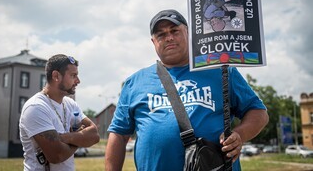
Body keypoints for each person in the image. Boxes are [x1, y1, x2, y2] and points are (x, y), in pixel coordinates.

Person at [105, 9, 269, 171]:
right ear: (153, 42)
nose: (169, 37)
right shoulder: (135, 82)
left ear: (189, 33)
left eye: (174, 31)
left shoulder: (222, 71)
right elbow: (119, 134)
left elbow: (258, 112)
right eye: (161, 35)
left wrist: (240, 134)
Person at [19, 54, 100, 171]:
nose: (78, 81)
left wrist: (65, 138)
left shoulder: (70, 104)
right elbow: (57, 155)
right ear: (56, 76)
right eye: (73, 75)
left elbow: (94, 136)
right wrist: (80, 138)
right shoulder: (36, 107)